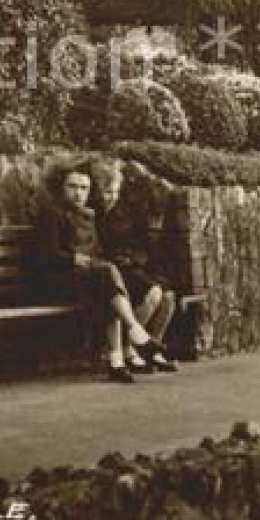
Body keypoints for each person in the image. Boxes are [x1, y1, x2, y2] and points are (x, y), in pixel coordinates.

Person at [32, 161, 168, 383]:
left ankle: (117, 361)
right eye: (72, 187)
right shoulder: (52, 214)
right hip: (57, 279)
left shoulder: (88, 215)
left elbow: (98, 252)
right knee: (106, 279)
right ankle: (133, 336)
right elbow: (42, 255)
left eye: (84, 188)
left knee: (114, 284)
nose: (78, 194)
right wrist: (73, 258)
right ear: (62, 187)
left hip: (87, 278)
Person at [87, 158, 180, 374]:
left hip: (132, 267)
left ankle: (152, 349)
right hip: (112, 270)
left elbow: (143, 245)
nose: (108, 197)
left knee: (169, 297)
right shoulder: (92, 214)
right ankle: (132, 349)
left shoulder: (126, 213)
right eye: (105, 191)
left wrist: (135, 258)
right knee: (154, 293)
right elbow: (95, 249)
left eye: (113, 192)